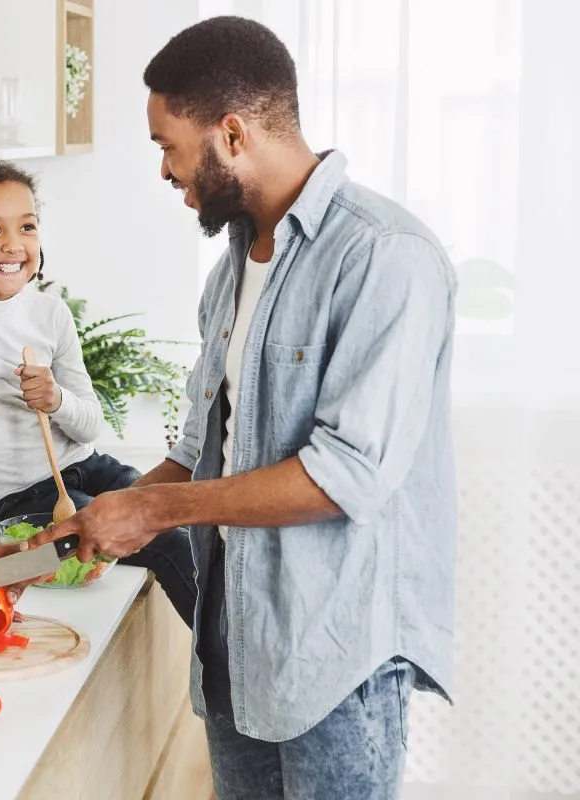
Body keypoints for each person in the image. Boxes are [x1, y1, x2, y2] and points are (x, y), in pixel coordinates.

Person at [30, 16, 457, 800]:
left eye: (168, 144)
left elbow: (344, 478)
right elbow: (202, 448)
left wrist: (154, 508)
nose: (163, 168)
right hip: (237, 644)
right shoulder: (229, 272)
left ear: (231, 132)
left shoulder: (384, 257)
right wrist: (108, 513)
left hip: (337, 657)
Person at [0, 161, 195, 620]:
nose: (13, 244)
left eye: (26, 226)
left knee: (184, 522)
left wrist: (56, 400)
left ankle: (233, 665)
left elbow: (90, 424)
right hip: (15, 500)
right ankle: (231, 677)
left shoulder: (51, 314)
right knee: (168, 543)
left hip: (88, 469)